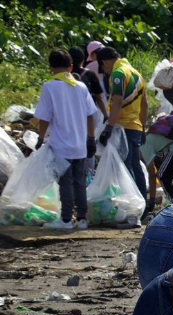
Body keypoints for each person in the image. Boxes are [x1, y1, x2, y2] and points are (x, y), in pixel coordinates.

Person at [34, 49, 99, 230]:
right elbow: (91, 115)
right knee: (79, 181)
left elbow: (45, 117)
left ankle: (65, 220)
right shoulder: (81, 87)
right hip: (80, 145)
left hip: (61, 145)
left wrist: (40, 138)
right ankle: (82, 219)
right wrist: (91, 138)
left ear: (51, 68)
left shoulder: (50, 87)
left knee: (65, 182)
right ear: (71, 67)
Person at [95, 47, 149, 212]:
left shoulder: (118, 74)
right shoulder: (136, 74)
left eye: (103, 68)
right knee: (135, 166)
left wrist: (108, 128)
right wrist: (143, 126)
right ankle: (143, 205)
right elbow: (145, 104)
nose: (104, 71)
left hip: (122, 128)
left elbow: (117, 102)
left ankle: (132, 207)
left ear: (104, 61)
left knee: (124, 169)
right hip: (135, 127)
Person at [68, 46, 107, 120]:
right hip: (89, 114)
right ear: (82, 61)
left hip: (70, 113)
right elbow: (99, 98)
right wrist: (105, 114)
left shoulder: (64, 75)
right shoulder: (90, 74)